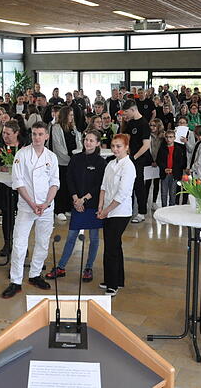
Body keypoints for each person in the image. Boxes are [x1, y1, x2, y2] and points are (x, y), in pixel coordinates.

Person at [2, 121, 59, 298]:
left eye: (40, 134)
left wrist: (46, 203)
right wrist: (33, 204)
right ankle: (15, 281)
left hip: (46, 207)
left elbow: (55, 183)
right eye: (34, 134)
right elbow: (18, 182)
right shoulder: (22, 154)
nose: (37, 137)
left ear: (46, 136)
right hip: (27, 206)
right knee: (19, 243)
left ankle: (35, 275)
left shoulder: (51, 157)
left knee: (42, 242)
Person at [46, 129, 106, 282]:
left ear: (98, 143)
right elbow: (69, 179)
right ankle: (61, 267)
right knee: (71, 235)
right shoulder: (76, 158)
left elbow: (99, 185)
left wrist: (84, 199)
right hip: (77, 203)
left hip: (92, 204)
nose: (88, 143)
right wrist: (75, 199)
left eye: (92, 140)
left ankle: (88, 267)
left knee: (93, 238)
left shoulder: (101, 163)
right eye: (86, 139)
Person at [97, 134, 135, 296]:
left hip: (120, 212)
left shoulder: (128, 167)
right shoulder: (110, 164)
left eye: (119, 146)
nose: (115, 149)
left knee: (111, 247)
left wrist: (106, 211)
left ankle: (112, 285)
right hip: (107, 210)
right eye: (113, 146)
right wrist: (100, 206)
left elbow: (122, 194)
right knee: (114, 245)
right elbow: (104, 187)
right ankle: (117, 278)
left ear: (126, 147)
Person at [0, 120, 25, 256]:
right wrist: (0, 167)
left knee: (21, 218)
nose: (5, 136)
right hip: (3, 187)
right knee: (7, 215)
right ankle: (7, 243)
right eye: (4, 133)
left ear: (16, 133)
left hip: (21, 189)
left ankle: (20, 245)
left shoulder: (24, 146)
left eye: (8, 134)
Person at [121, 100, 152, 223]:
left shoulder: (144, 124)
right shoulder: (131, 122)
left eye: (127, 112)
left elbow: (146, 145)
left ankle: (142, 212)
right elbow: (127, 137)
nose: (125, 115)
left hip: (138, 159)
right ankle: (128, 209)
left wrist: (134, 157)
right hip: (129, 157)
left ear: (133, 110)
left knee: (139, 185)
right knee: (128, 184)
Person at [51, 106, 83, 221]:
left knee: (71, 186)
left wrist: (77, 156)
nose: (72, 117)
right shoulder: (56, 128)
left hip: (73, 161)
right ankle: (59, 210)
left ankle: (68, 207)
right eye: (70, 115)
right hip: (62, 161)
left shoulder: (73, 128)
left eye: (73, 115)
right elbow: (58, 146)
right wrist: (68, 158)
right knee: (61, 186)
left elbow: (78, 142)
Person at [156, 128, 186, 207]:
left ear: (174, 138)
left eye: (171, 137)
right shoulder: (162, 148)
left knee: (173, 193)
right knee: (163, 193)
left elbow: (180, 162)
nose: (169, 139)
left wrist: (173, 169)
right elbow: (159, 160)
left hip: (174, 173)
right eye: (167, 137)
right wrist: (164, 168)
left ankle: (171, 209)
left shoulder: (179, 149)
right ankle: (163, 209)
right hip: (164, 173)